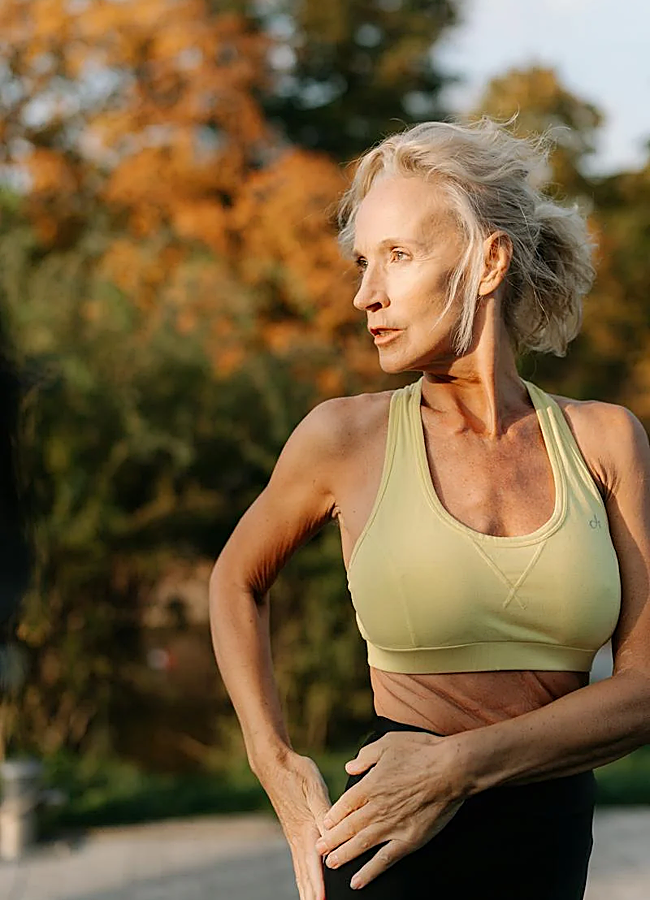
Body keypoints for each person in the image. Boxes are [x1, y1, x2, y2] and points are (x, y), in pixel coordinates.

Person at [209, 117, 650, 900]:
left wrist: (456, 768)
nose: (363, 294)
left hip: (547, 848)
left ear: (489, 260)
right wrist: (273, 761)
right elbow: (235, 582)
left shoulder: (606, 442)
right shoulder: (342, 438)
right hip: (388, 852)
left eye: (399, 257)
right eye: (361, 263)